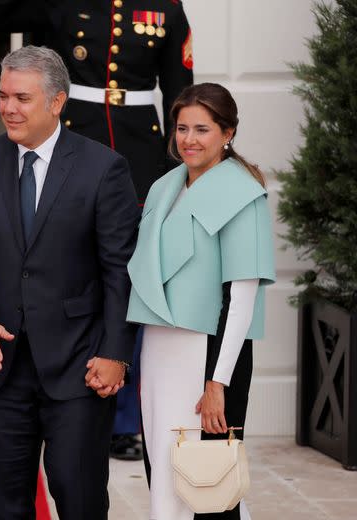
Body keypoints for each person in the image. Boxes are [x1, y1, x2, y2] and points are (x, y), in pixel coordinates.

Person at [0, 0, 195, 460]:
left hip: (138, 156)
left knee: (126, 279)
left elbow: (179, 92)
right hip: (71, 141)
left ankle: (123, 419)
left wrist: (183, 175)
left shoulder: (166, 9)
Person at [0, 45, 139, 519]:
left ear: (57, 102)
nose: (8, 107)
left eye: (22, 98)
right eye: (3, 95)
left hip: (80, 365)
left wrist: (115, 354)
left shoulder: (103, 167)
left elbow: (120, 271)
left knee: (79, 498)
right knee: (3, 505)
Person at [126, 83, 276, 520]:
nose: (189, 139)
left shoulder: (243, 194)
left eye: (203, 129)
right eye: (182, 128)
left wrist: (217, 384)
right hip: (161, 349)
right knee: (165, 470)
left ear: (227, 132)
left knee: (211, 485)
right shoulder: (165, 187)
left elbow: (241, 299)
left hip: (211, 356)